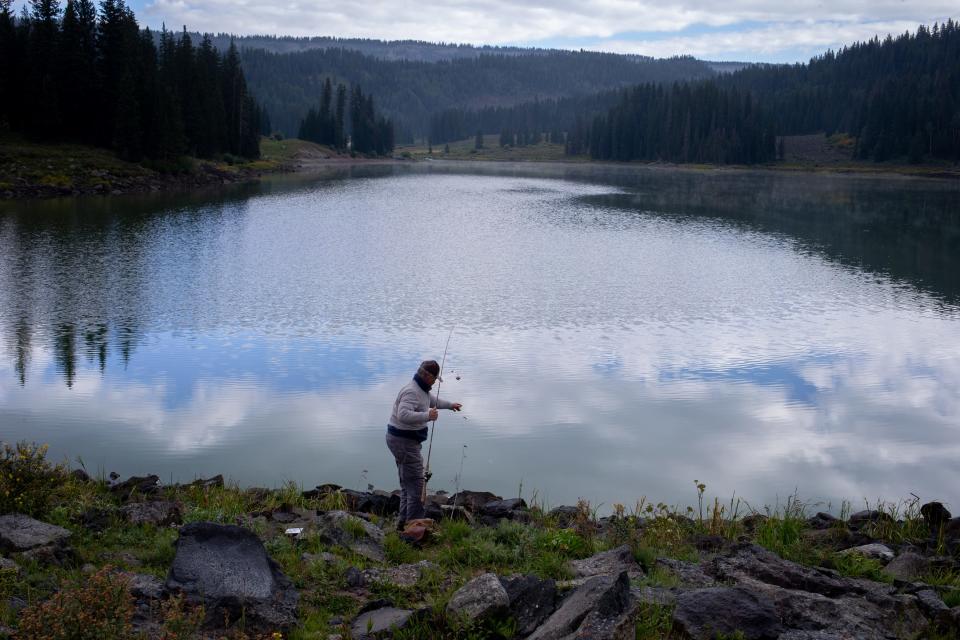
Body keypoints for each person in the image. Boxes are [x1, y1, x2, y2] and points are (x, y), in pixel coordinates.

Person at [386, 359, 462, 530]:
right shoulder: (412, 392)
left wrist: (450, 405)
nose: (435, 382)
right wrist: (427, 416)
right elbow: (402, 414)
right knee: (417, 485)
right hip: (403, 442)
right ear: (427, 376)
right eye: (435, 379)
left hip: (401, 441)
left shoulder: (421, 390)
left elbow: (431, 401)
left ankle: (403, 524)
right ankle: (414, 529)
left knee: (407, 484)